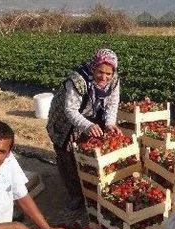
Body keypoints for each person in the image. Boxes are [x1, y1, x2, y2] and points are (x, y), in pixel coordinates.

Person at [46, 48, 121, 217]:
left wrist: (109, 123)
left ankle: (91, 189)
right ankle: (75, 195)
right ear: (93, 67)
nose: (104, 77)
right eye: (100, 72)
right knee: (67, 154)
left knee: (91, 151)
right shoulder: (77, 80)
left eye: (108, 73)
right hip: (65, 118)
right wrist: (87, 126)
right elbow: (70, 110)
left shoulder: (114, 81)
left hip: (92, 113)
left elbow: (112, 104)